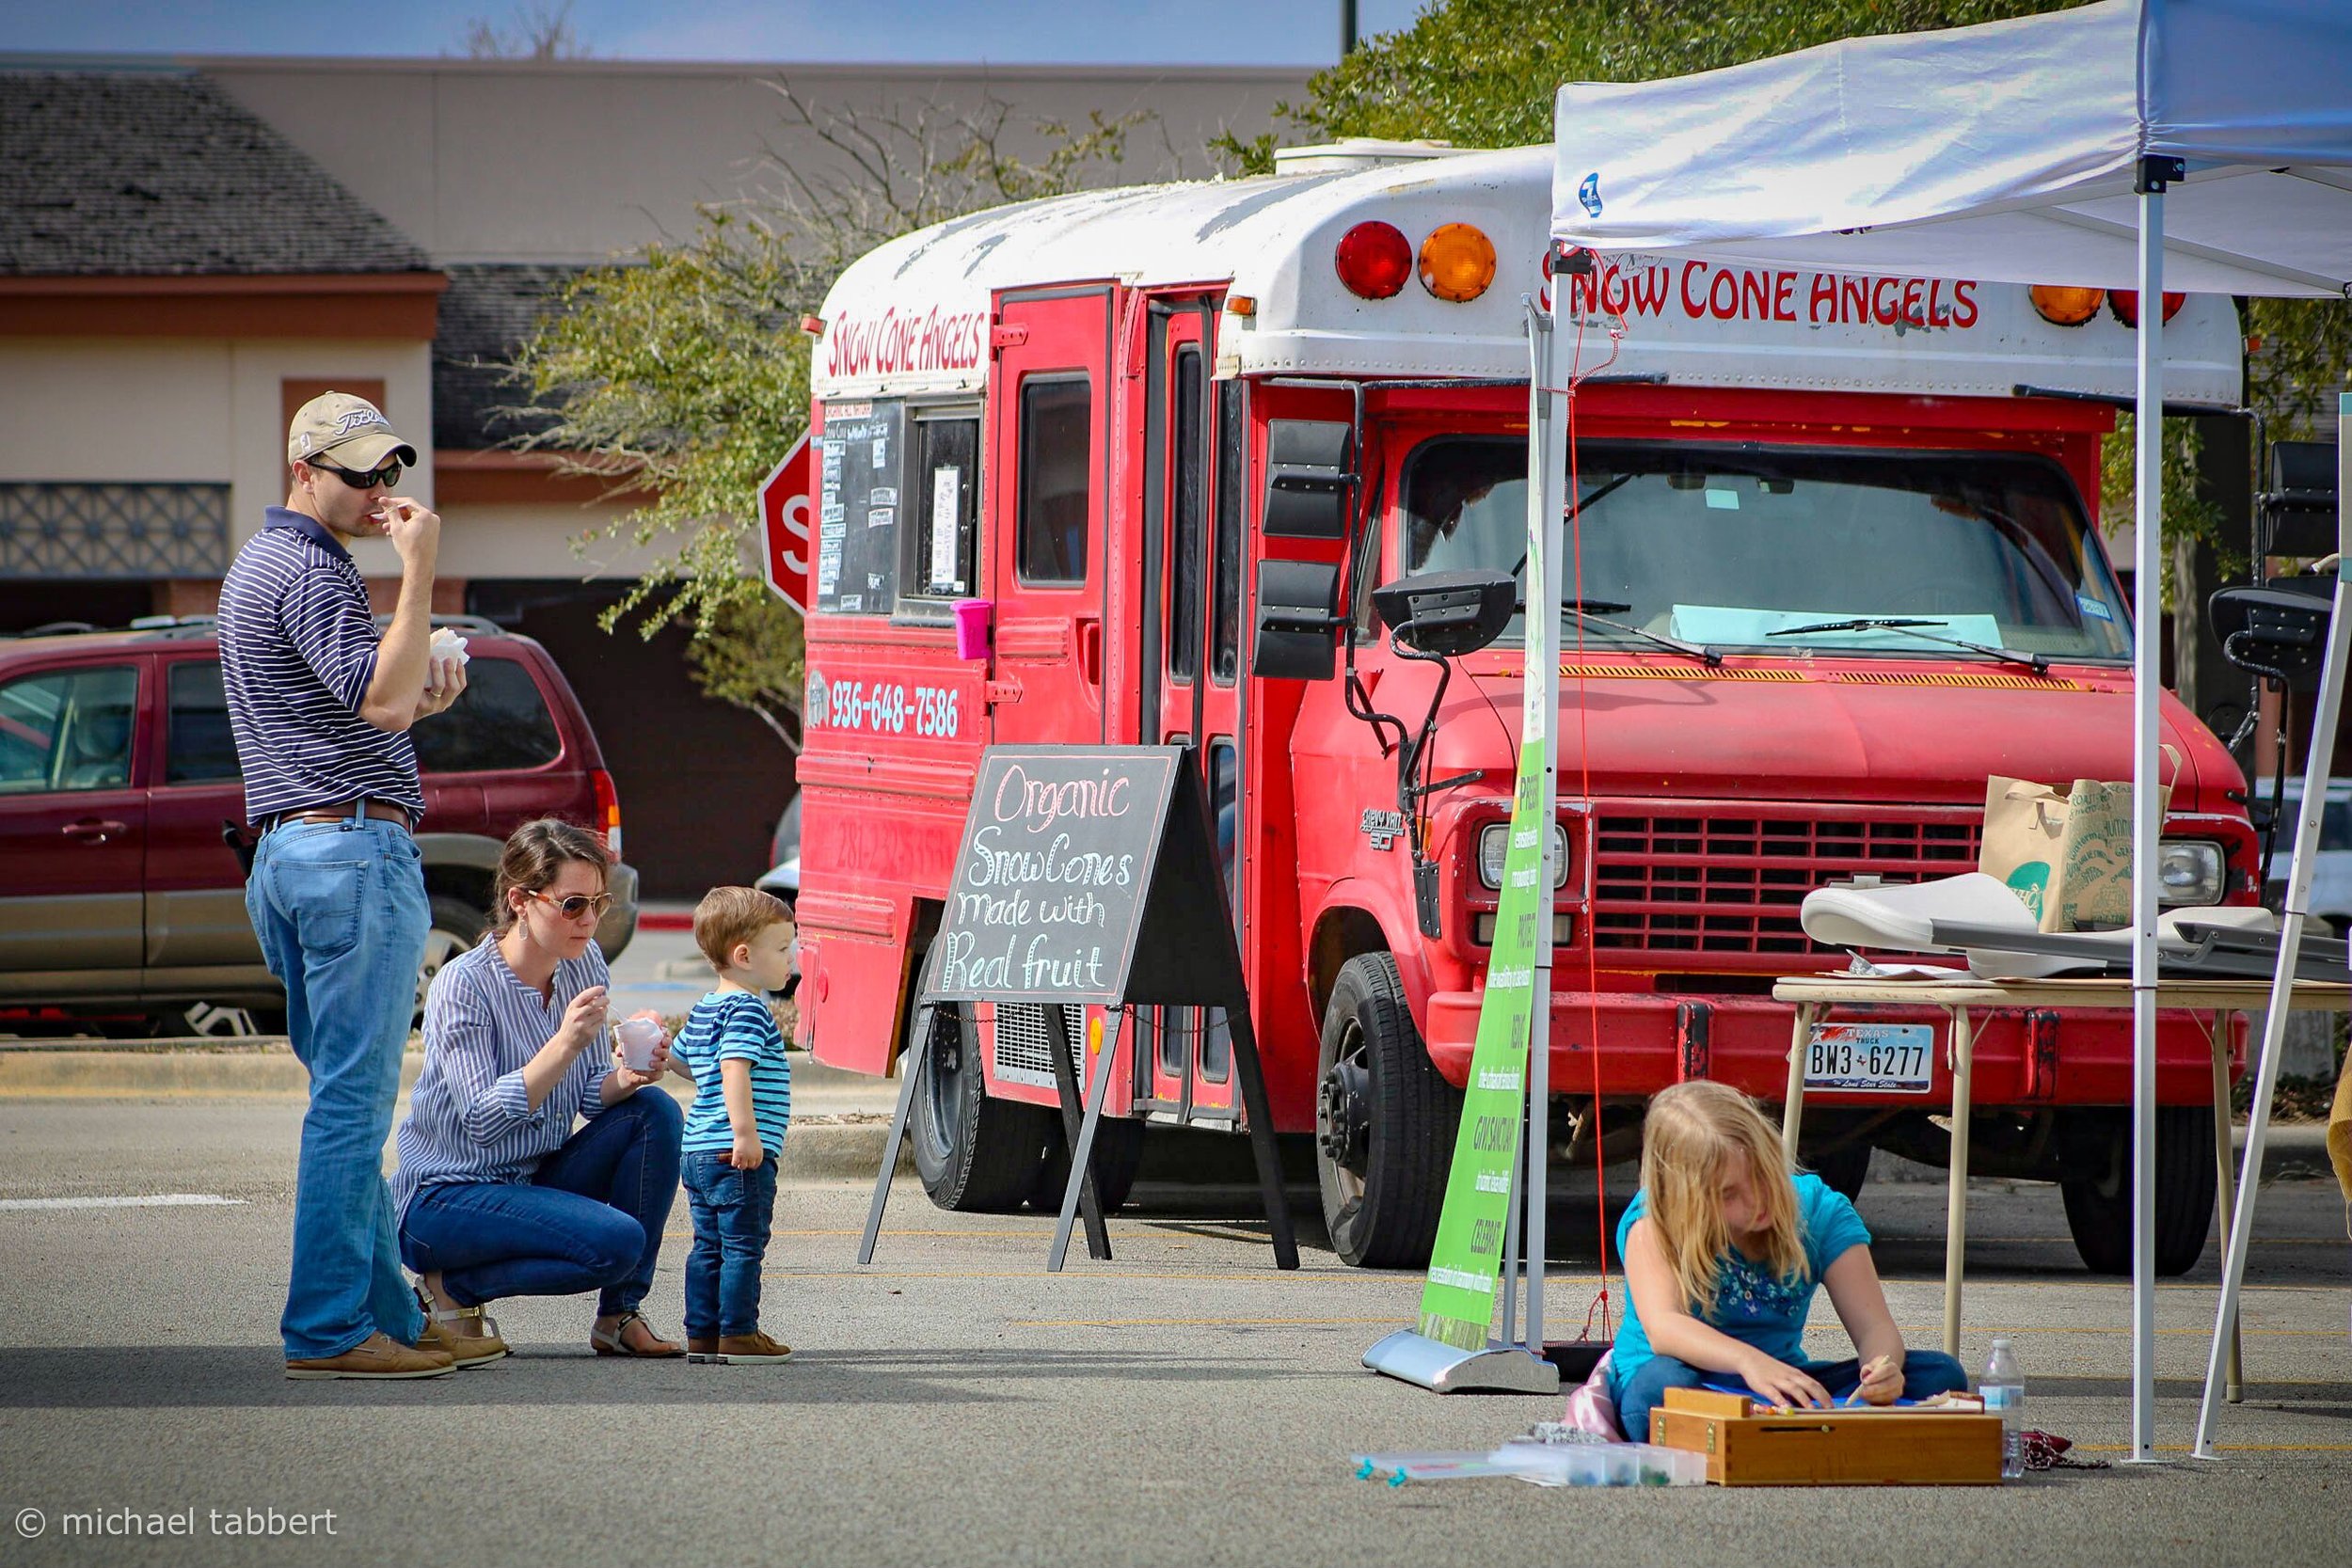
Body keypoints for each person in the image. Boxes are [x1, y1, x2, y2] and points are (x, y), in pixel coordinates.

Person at [221, 391, 469, 1381]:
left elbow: (381, 706)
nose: (379, 491)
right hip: (349, 854)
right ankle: (329, 1329)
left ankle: (393, 1320)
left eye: (390, 472)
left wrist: (418, 690)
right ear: (304, 469)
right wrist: (419, 570)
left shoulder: (260, 563)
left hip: (291, 852)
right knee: (354, 1110)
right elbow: (378, 696)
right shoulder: (317, 571)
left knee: (344, 1096)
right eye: (358, 472)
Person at [392, 820, 686, 1360]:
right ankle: (449, 1291)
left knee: (654, 1112)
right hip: (444, 1198)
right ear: (521, 901)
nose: (591, 920)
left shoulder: (584, 962)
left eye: (599, 902)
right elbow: (482, 1118)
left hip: (525, 1179)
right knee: (618, 1242)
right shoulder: (463, 983)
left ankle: (619, 1316)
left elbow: (588, 1100)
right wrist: (565, 1043)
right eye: (573, 904)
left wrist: (630, 1075)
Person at [1609, 1081, 1967, 1440]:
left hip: (1779, 1384)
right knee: (1660, 1390)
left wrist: (1881, 1368)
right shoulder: (1653, 1221)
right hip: (1689, 1378)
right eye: (1729, 1193)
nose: (1756, 1200)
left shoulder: (1818, 1210)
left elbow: (1875, 1327)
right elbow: (1665, 1328)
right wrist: (1749, 1362)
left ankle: (1771, 1435)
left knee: (1940, 1375)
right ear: (1685, 1199)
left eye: (1762, 1176)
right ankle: (1797, 1437)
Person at [669, 886, 797, 1364]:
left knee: (707, 1245)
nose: (792, 959)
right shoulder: (748, 1008)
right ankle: (739, 1332)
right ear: (744, 955)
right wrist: (746, 1133)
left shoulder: (705, 1007)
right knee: (744, 1244)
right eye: (783, 949)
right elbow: (733, 1068)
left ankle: (702, 1333)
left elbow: (684, 1063)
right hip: (734, 1151)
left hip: (698, 1149)